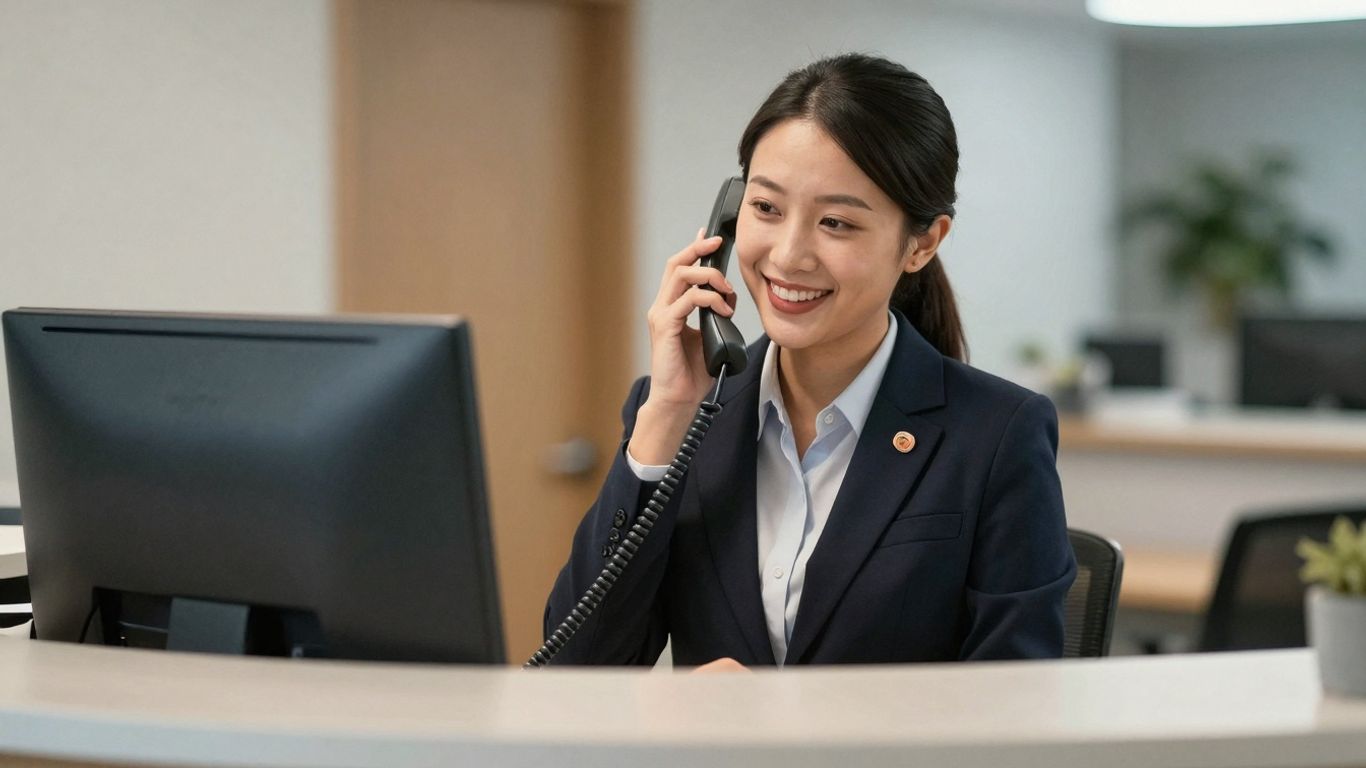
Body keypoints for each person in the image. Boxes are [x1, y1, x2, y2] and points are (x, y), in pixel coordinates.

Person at [544, 53, 1076, 668]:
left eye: (836, 223)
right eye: (766, 209)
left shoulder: (997, 435)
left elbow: (1014, 710)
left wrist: (791, 720)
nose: (789, 255)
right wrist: (664, 418)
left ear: (922, 243)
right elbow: (573, 670)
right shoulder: (681, 415)